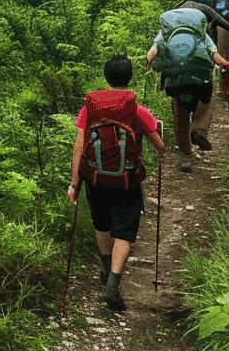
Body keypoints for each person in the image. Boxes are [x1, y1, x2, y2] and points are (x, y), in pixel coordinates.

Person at [68, 55, 168, 311]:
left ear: (106, 77)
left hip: (95, 178)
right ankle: (113, 282)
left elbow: (79, 147)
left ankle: (105, 267)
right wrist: (158, 138)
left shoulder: (89, 109)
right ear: (129, 77)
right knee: (123, 231)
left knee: (101, 223)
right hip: (127, 181)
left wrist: (74, 182)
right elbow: (160, 146)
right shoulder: (136, 110)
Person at [147, 8, 229, 173]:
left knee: (181, 118)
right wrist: (228, 65)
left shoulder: (165, 33)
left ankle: (186, 156)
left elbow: (152, 52)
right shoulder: (201, 34)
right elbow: (217, 57)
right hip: (201, 82)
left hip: (178, 82)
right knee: (208, 98)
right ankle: (199, 129)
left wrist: (150, 62)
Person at [178, 0, 229, 148]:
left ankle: (183, 140)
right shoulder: (205, 16)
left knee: (178, 101)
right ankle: (199, 130)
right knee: (207, 94)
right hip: (201, 62)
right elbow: (225, 28)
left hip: (177, 67)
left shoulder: (175, 14)